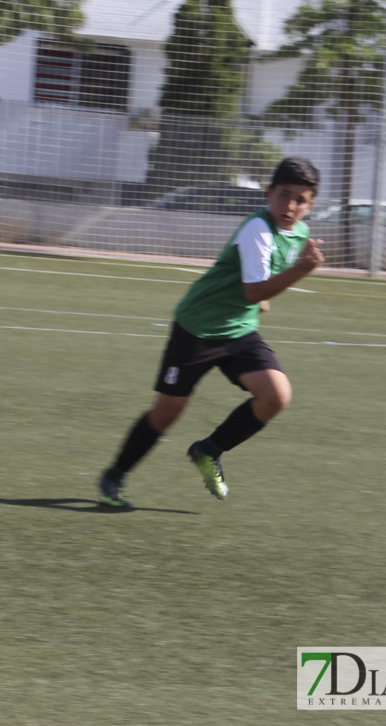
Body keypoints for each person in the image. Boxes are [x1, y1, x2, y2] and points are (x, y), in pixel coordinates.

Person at [98, 157, 325, 508]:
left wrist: (262, 296)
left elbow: (259, 282)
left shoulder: (300, 234)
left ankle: (209, 450)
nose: (290, 205)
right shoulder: (258, 229)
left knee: (276, 396)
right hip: (198, 328)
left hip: (238, 330)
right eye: (284, 195)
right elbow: (254, 290)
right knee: (167, 412)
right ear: (268, 194)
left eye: (300, 199)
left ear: (310, 206)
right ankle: (115, 474)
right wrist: (300, 272)